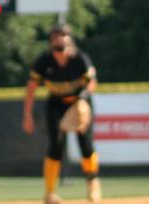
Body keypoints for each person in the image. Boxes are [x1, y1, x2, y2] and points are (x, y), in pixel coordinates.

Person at [22, 23, 102, 204]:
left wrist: (83, 99)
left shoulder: (80, 58)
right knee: (55, 147)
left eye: (64, 36)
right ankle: (50, 193)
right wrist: (27, 114)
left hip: (80, 102)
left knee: (86, 145)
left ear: (69, 40)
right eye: (56, 36)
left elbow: (92, 83)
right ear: (51, 41)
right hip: (56, 104)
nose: (60, 39)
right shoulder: (44, 61)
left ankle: (93, 185)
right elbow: (31, 87)